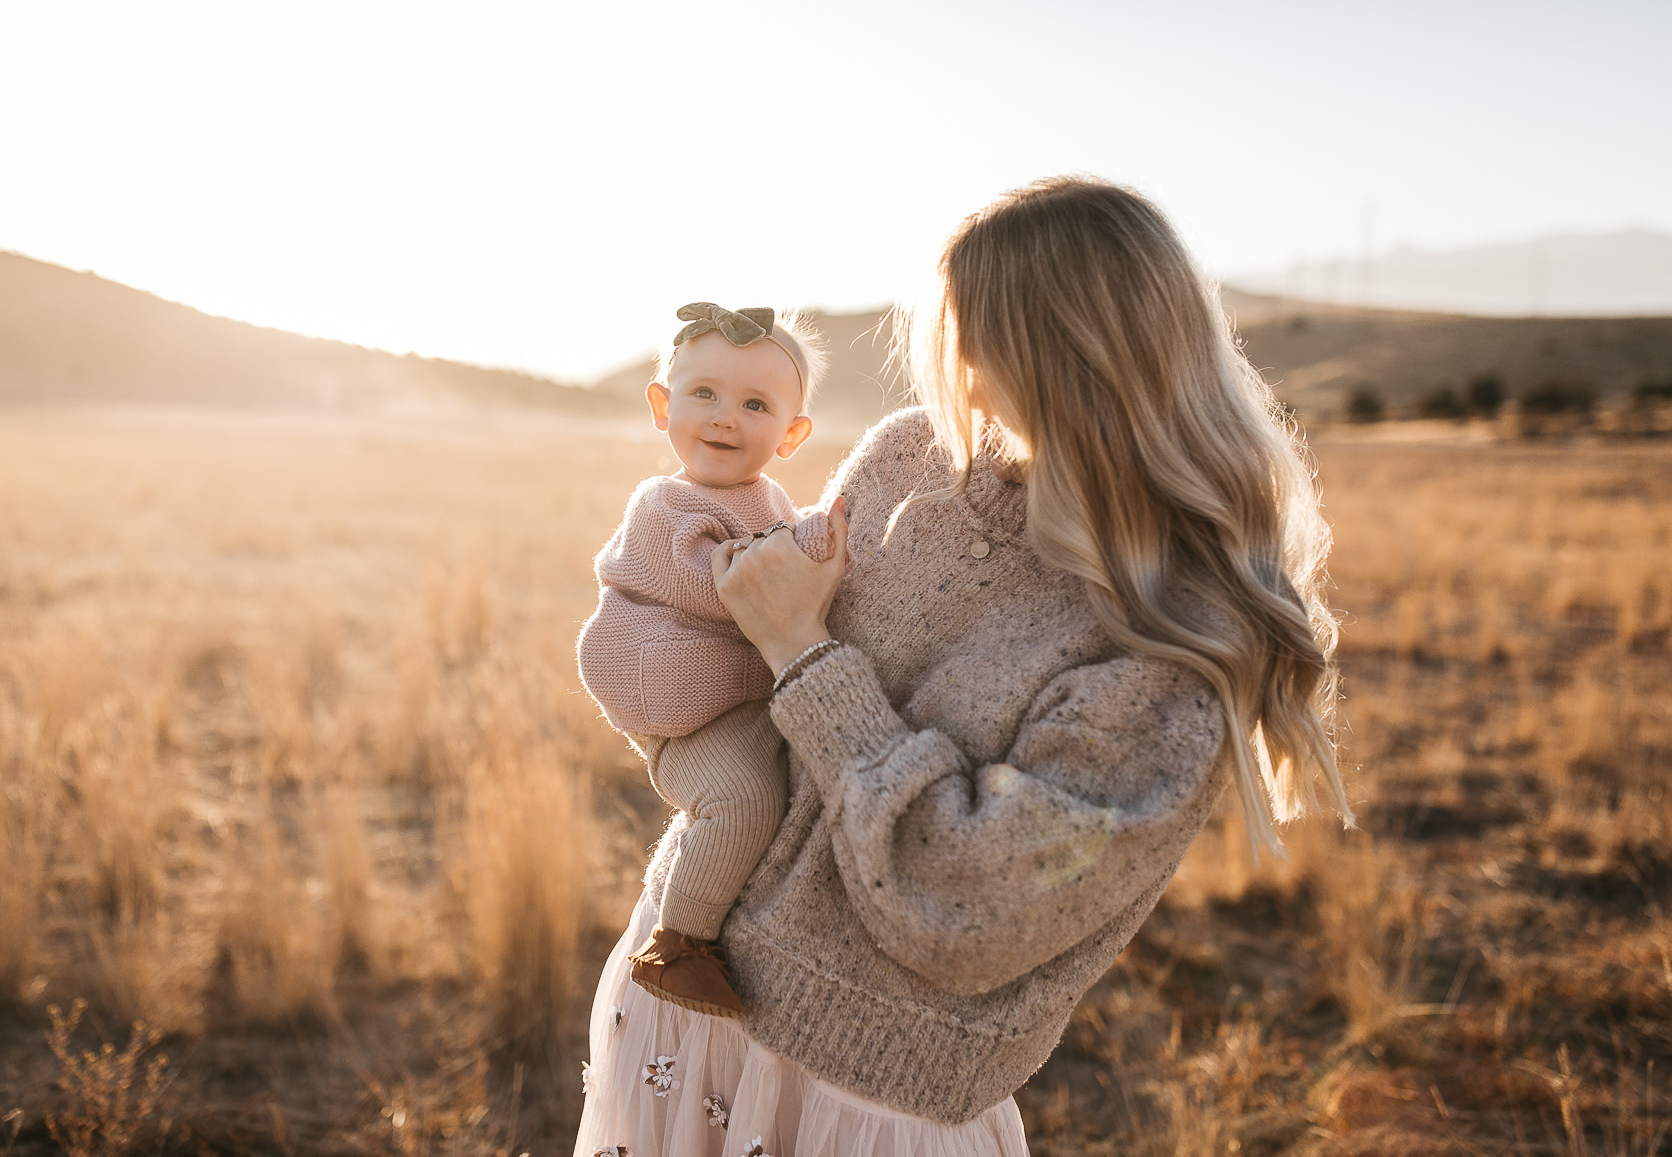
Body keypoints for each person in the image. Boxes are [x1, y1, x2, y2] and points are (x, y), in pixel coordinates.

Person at [574, 176, 1351, 1157]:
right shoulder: (908, 459)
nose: (960, 374)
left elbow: (965, 905)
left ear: (1070, 348)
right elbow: (762, 678)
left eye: (976, 337)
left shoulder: (1176, 640)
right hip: (686, 990)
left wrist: (801, 656)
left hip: (866, 1091)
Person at [577, 302, 837, 1018]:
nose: (725, 417)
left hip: (738, 702)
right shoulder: (664, 505)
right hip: (684, 716)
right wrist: (812, 552)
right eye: (704, 394)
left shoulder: (771, 499)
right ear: (662, 407)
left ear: (790, 434)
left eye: (755, 404)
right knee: (743, 800)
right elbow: (725, 586)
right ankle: (680, 945)